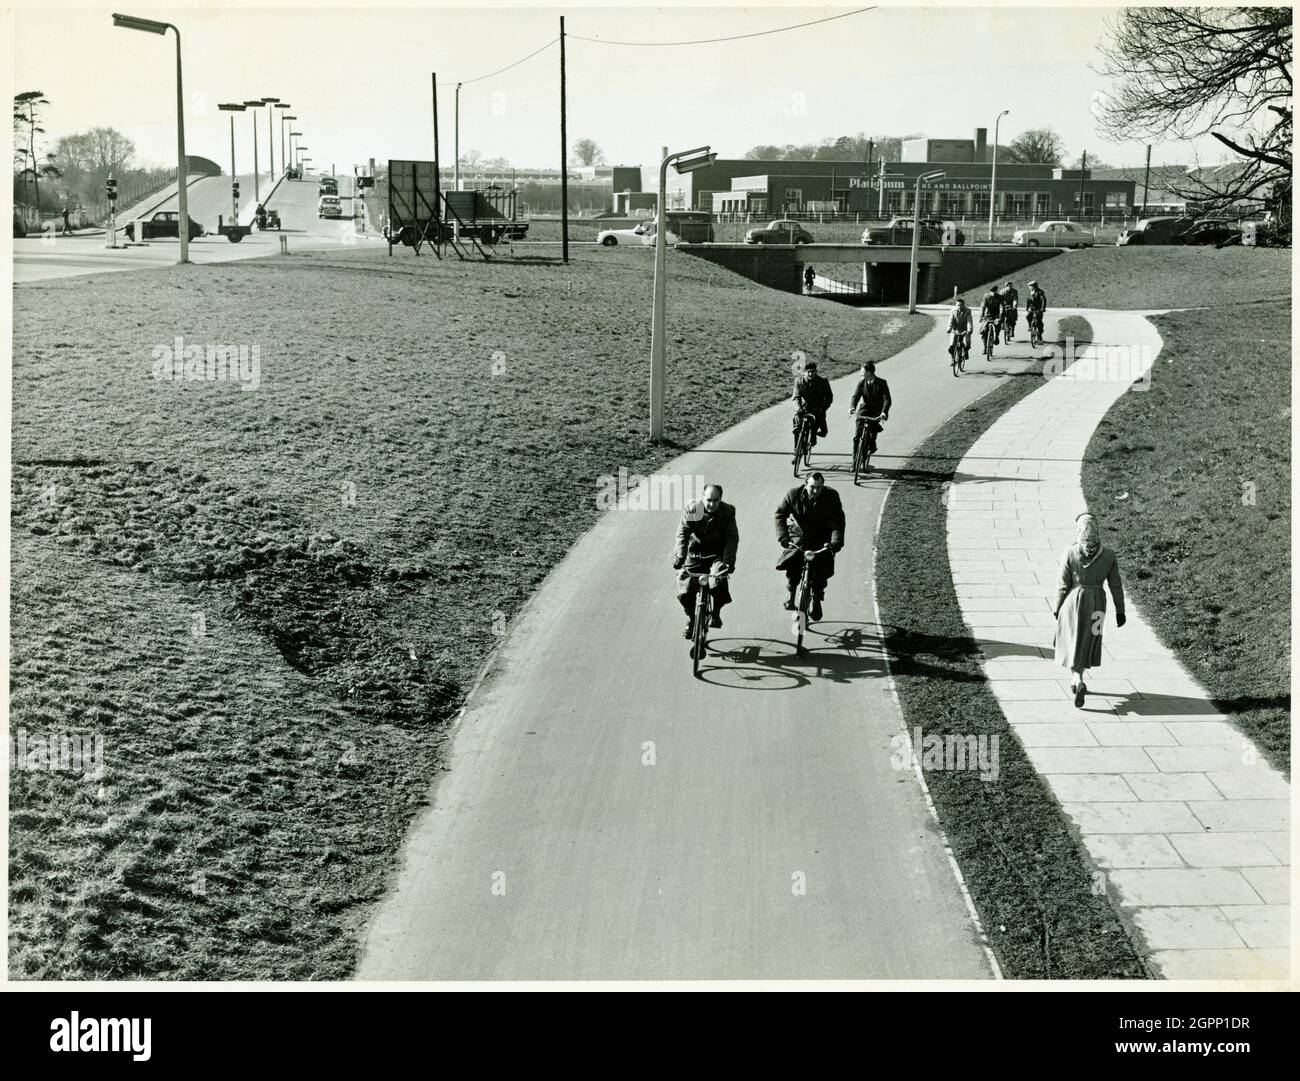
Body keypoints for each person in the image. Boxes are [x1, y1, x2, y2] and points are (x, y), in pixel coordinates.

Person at [1053, 513, 1126, 708]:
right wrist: (1121, 610)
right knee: (1090, 639)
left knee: (1072, 639)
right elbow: (1116, 585)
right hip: (1098, 605)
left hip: (1073, 602)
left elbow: (1062, 584)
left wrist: (1056, 607)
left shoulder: (1070, 552)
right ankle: (1077, 677)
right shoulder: (1109, 555)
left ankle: (1077, 679)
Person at [774, 472, 845, 623]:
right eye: (812, 487)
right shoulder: (793, 495)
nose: (815, 491)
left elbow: (837, 522)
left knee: (822, 568)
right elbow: (780, 515)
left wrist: (834, 543)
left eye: (819, 487)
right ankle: (791, 592)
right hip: (800, 536)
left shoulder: (831, 496)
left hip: (822, 538)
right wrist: (784, 537)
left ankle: (817, 599)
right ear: (805, 484)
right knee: (793, 561)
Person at [672, 483, 738, 638]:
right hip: (695, 553)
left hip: (716, 555)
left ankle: (716, 613)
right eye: (708, 499)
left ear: (720, 499)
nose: (711, 504)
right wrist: (680, 556)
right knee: (685, 590)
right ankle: (692, 618)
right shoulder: (694, 509)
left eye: (716, 500)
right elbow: (683, 533)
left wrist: (728, 562)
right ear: (703, 497)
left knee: (719, 582)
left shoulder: (728, 512)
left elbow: (731, 539)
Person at [791, 359, 833, 461]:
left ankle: (813, 438)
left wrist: (823, 407)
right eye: (808, 372)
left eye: (813, 371)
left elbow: (829, 397)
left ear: (816, 372)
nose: (810, 374)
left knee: (817, 423)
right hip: (804, 408)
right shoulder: (799, 381)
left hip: (818, 407)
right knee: (797, 423)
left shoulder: (822, 382)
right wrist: (798, 409)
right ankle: (796, 451)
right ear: (804, 372)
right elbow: (796, 397)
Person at [849, 361, 892, 458]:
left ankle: (871, 446)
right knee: (857, 435)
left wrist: (884, 412)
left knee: (872, 431)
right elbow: (856, 396)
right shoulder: (861, 383)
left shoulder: (881, 383)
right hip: (865, 409)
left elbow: (887, 399)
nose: (860, 373)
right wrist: (852, 407)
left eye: (862, 371)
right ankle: (854, 459)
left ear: (869, 372)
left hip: (877, 411)